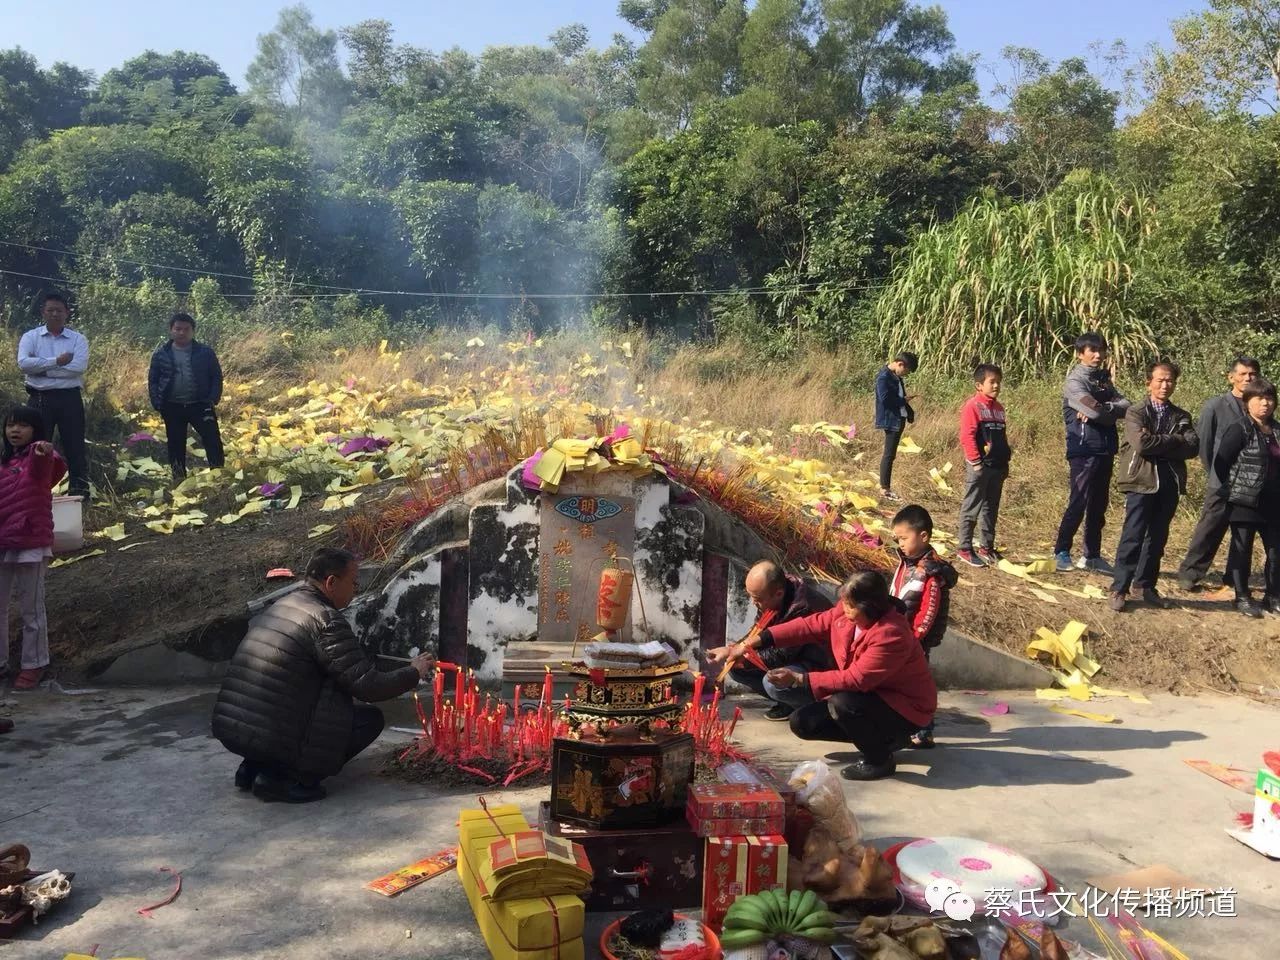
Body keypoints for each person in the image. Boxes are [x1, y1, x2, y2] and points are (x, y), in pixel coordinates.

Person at [211, 547, 434, 802]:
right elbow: (369, 687)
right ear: (331, 582)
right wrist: (414, 671)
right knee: (367, 720)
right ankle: (286, 778)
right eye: (353, 583)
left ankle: (255, 766)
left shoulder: (283, 605)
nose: (355, 590)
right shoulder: (325, 620)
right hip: (271, 732)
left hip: (235, 726)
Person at [741, 571, 937, 782]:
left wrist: (799, 679)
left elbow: (856, 679)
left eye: (851, 606)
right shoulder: (845, 613)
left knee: (843, 703)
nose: (845, 609)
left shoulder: (891, 633)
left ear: (869, 607)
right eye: (844, 602)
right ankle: (886, 740)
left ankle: (879, 760)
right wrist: (757, 641)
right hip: (868, 697)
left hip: (904, 707)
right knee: (803, 723)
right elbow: (809, 625)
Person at [1108, 362, 1199, 613]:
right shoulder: (1136, 412)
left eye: (1169, 380)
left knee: (1157, 537)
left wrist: (1163, 441)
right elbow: (1142, 445)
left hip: (1169, 482)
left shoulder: (1181, 415)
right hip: (1140, 480)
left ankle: (1145, 586)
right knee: (1133, 535)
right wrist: (1174, 440)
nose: (1164, 385)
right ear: (1149, 382)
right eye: (1159, 380)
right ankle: (1119, 587)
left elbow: (1192, 447)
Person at [705, 560, 834, 722]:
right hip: (791, 656)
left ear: (778, 593)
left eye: (757, 598)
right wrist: (731, 650)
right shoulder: (774, 596)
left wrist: (744, 658)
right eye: (751, 596)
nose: (753, 602)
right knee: (735, 668)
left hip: (817, 664)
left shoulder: (803, 607)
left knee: (772, 682)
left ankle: (821, 710)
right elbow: (757, 632)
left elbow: (781, 655)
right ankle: (788, 703)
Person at [1178, 356, 1261, 591]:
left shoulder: (1260, 406)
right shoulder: (1215, 406)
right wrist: (1215, 474)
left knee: (1243, 533)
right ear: (1231, 377)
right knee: (1210, 527)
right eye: (1243, 374)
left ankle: (1233, 579)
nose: (1248, 378)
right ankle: (1190, 575)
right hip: (1221, 479)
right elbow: (1205, 445)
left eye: (1252, 374)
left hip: (1250, 483)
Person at [0, 406, 66, 691]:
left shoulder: (40, 457)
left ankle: (34, 664)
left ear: (36, 431)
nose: (15, 430)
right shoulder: (3, 461)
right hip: (2, 543)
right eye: (10, 425)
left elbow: (49, 467)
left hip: (30, 542)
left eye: (23, 425)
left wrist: (43, 452)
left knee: (31, 609)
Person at [1054, 332, 1131, 574]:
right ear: (1080, 354)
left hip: (1105, 447)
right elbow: (1095, 412)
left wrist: (1106, 407)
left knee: (1099, 504)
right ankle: (1061, 551)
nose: (1098, 355)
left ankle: (1092, 555)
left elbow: (1126, 405)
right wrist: (1107, 411)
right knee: (1079, 501)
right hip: (1084, 448)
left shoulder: (1103, 380)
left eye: (1101, 351)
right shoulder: (1075, 382)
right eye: (1092, 351)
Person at [889, 505, 957, 749]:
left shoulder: (931, 570)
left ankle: (924, 729)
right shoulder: (906, 562)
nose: (901, 544)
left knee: (918, 685)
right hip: (902, 636)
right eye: (898, 539)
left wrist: (915, 638)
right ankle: (908, 724)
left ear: (924, 536)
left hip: (916, 640)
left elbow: (928, 611)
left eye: (905, 538)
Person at [1212, 378, 1280, 618]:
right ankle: (1242, 596)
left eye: (1270, 398)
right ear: (1247, 402)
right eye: (1259, 398)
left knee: (1275, 551)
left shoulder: (1277, 430)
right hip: (1245, 501)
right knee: (1242, 550)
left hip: (1274, 503)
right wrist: (1236, 488)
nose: (1265, 403)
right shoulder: (1240, 428)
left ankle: (1273, 596)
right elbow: (1221, 464)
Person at [16, 292, 89, 499]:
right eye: (50, 310)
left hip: (69, 399)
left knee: (75, 446)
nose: (55, 314)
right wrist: (57, 361)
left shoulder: (78, 339)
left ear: (67, 313)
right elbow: (24, 364)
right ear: (43, 312)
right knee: (37, 446)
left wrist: (41, 368)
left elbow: (78, 368)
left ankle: (80, 492)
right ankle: (34, 493)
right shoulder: (30, 337)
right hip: (39, 398)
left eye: (59, 310)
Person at [148, 313, 226, 480]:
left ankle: (219, 476)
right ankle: (178, 479)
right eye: (178, 329)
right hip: (172, 406)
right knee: (175, 444)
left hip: (200, 404)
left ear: (193, 331)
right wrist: (157, 402)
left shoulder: (205, 352)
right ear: (171, 330)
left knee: (212, 440)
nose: (182, 333)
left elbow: (216, 376)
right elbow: (153, 380)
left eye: (186, 329)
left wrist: (212, 398)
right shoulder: (161, 354)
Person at [956, 363, 1012, 567]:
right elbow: (967, 436)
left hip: (998, 466)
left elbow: (1001, 437)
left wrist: (1005, 463)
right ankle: (964, 548)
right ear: (979, 385)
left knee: (991, 508)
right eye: (992, 382)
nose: (996, 386)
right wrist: (976, 463)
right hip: (981, 466)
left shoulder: (999, 408)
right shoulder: (973, 406)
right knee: (972, 507)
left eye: (999, 382)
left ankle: (986, 547)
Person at [874, 352, 919, 501]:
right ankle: (884, 488)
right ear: (900, 364)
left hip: (899, 418)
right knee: (889, 454)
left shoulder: (896, 377)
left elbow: (900, 399)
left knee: (891, 454)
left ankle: (885, 486)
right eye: (906, 371)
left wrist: (909, 411)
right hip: (891, 420)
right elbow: (886, 400)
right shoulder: (884, 377)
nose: (905, 374)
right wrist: (903, 400)